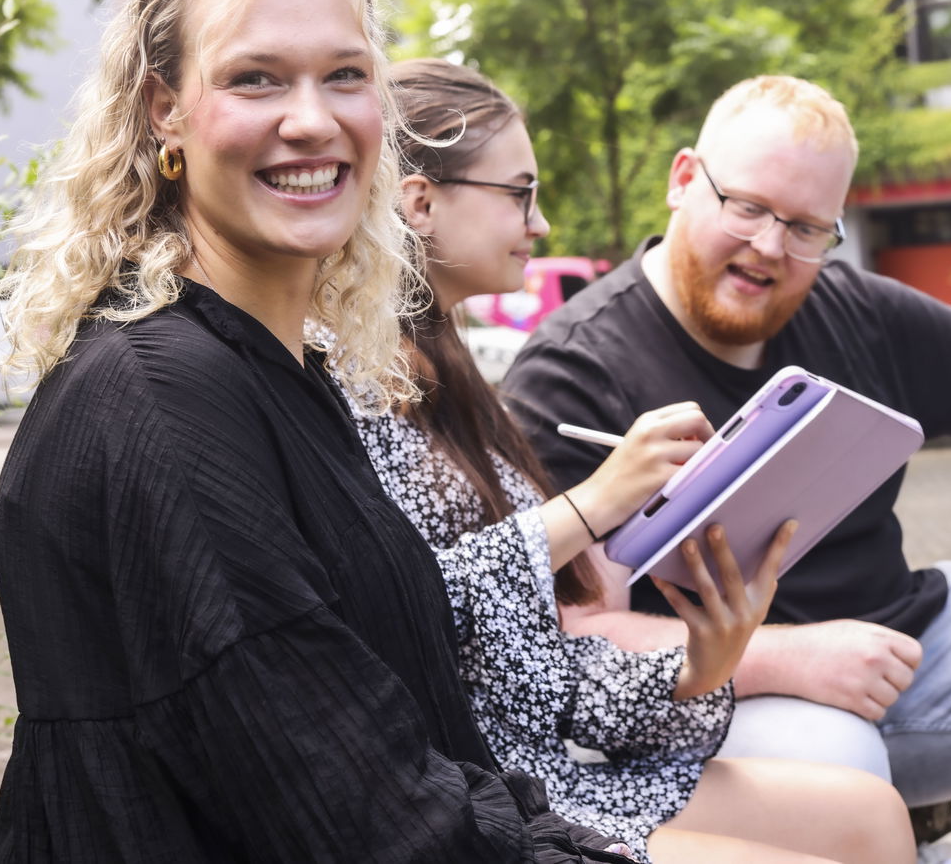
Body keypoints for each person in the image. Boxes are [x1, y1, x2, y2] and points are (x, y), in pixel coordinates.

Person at [0, 0, 635, 861]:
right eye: (256, 78)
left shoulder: (276, 367)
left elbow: (404, 742)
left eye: (344, 74)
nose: (312, 120)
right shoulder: (163, 400)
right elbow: (361, 821)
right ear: (166, 107)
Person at [503, 75, 951, 864]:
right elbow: (576, 637)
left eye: (808, 226)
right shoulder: (572, 371)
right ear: (682, 181)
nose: (770, 246)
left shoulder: (856, 309)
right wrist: (787, 656)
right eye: (747, 206)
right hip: (713, 705)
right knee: (834, 765)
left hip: (897, 641)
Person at [346, 57, 915, 864]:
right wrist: (591, 506)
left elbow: (537, 674)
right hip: (466, 800)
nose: (540, 224)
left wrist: (699, 662)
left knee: (870, 815)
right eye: (520, 192)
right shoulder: (345, 389)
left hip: (539, 774)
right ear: (421, 201)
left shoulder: (458, 384)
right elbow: (398, 611)